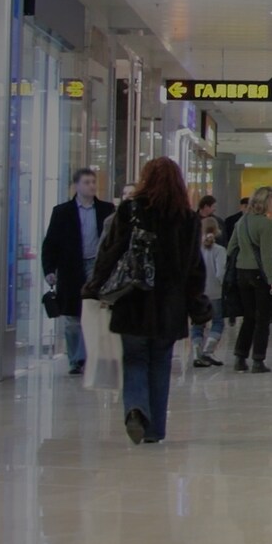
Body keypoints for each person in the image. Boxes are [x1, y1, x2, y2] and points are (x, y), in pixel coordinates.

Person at [92, 157, 204, 445]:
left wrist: (95, 287)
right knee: (160, 362)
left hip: (133, 300)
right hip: (169, 304)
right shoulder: (188, 218)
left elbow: (110, 252)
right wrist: (196, 303)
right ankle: (155, 431)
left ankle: (135, 407)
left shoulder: (130, 210)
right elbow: (194, 267)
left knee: (134, 358)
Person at [41, 168, 112, 376]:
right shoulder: (62, 212)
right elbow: (50, 243)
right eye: (87, 182)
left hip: (97, 266)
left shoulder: (107, 210)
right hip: (71, 268)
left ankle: (87, 356)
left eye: (93, 182)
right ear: (76, 186)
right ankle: (76, 359)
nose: (92, 186)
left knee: (94, 310)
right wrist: (49, 270)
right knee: (72, 317)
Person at [222, 186, 272, 371]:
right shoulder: (266, 224)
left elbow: (231, 248)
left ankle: (240, 357)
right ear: (267, 202)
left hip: (241, 272)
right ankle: (258, 360)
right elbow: (266, 255)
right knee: (262, 318)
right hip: (259, 274)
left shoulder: (242, 221)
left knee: (248, 317)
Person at [189, 218, 227, 367]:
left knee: (198, 324)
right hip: (215, 292)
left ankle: (196, 353)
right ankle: (208, 351)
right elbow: (220, 273)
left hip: (198, 291)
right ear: (217, 231)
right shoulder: (220, 250)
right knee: (217, 322)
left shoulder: (195, 249)